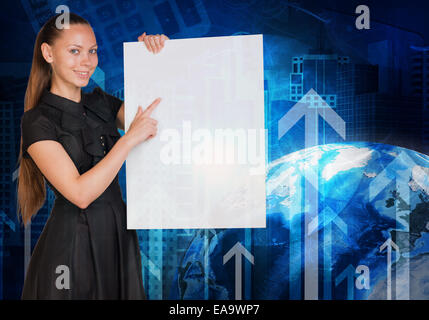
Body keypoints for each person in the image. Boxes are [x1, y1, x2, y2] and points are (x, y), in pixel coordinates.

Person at [17, 12, 168, 299]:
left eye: (92, 51)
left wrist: (152, 59)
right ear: (48, 53)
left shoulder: (102, 103)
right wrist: (128, 140)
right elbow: (79, 193)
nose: (86, 61)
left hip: (118, 235)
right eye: (74, 51)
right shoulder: (37, 121)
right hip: (73, 244)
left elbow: (158, 118)